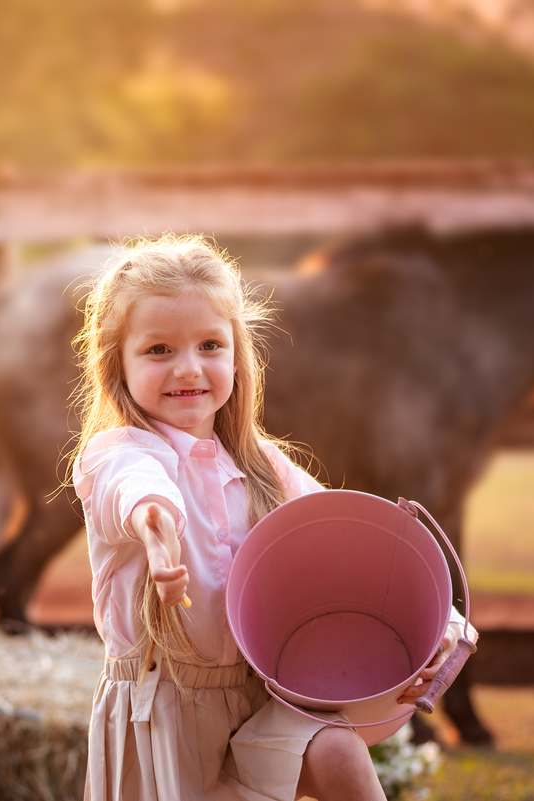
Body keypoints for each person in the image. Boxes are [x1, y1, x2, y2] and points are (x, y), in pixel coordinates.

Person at [71, 234, 469, 801]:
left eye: (210, 345)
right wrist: (157, 529)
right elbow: (137, 491)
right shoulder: (118, 453)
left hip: (261, 705)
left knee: (337, 750)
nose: (189, 368)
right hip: (161, 721)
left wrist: (444, 635)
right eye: (159, 350)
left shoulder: (263, 468)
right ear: (118, 363)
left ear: (237, 353)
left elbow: (356, 547)